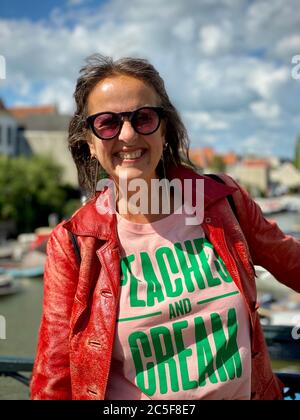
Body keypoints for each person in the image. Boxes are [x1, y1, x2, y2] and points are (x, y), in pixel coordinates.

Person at [30, 54, 300, 400]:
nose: (128, 135)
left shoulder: (223, 203)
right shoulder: (73, 244)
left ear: (165, 127)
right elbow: (54, 378)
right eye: (108, 123)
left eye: (144, 118)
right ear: (90, 143)